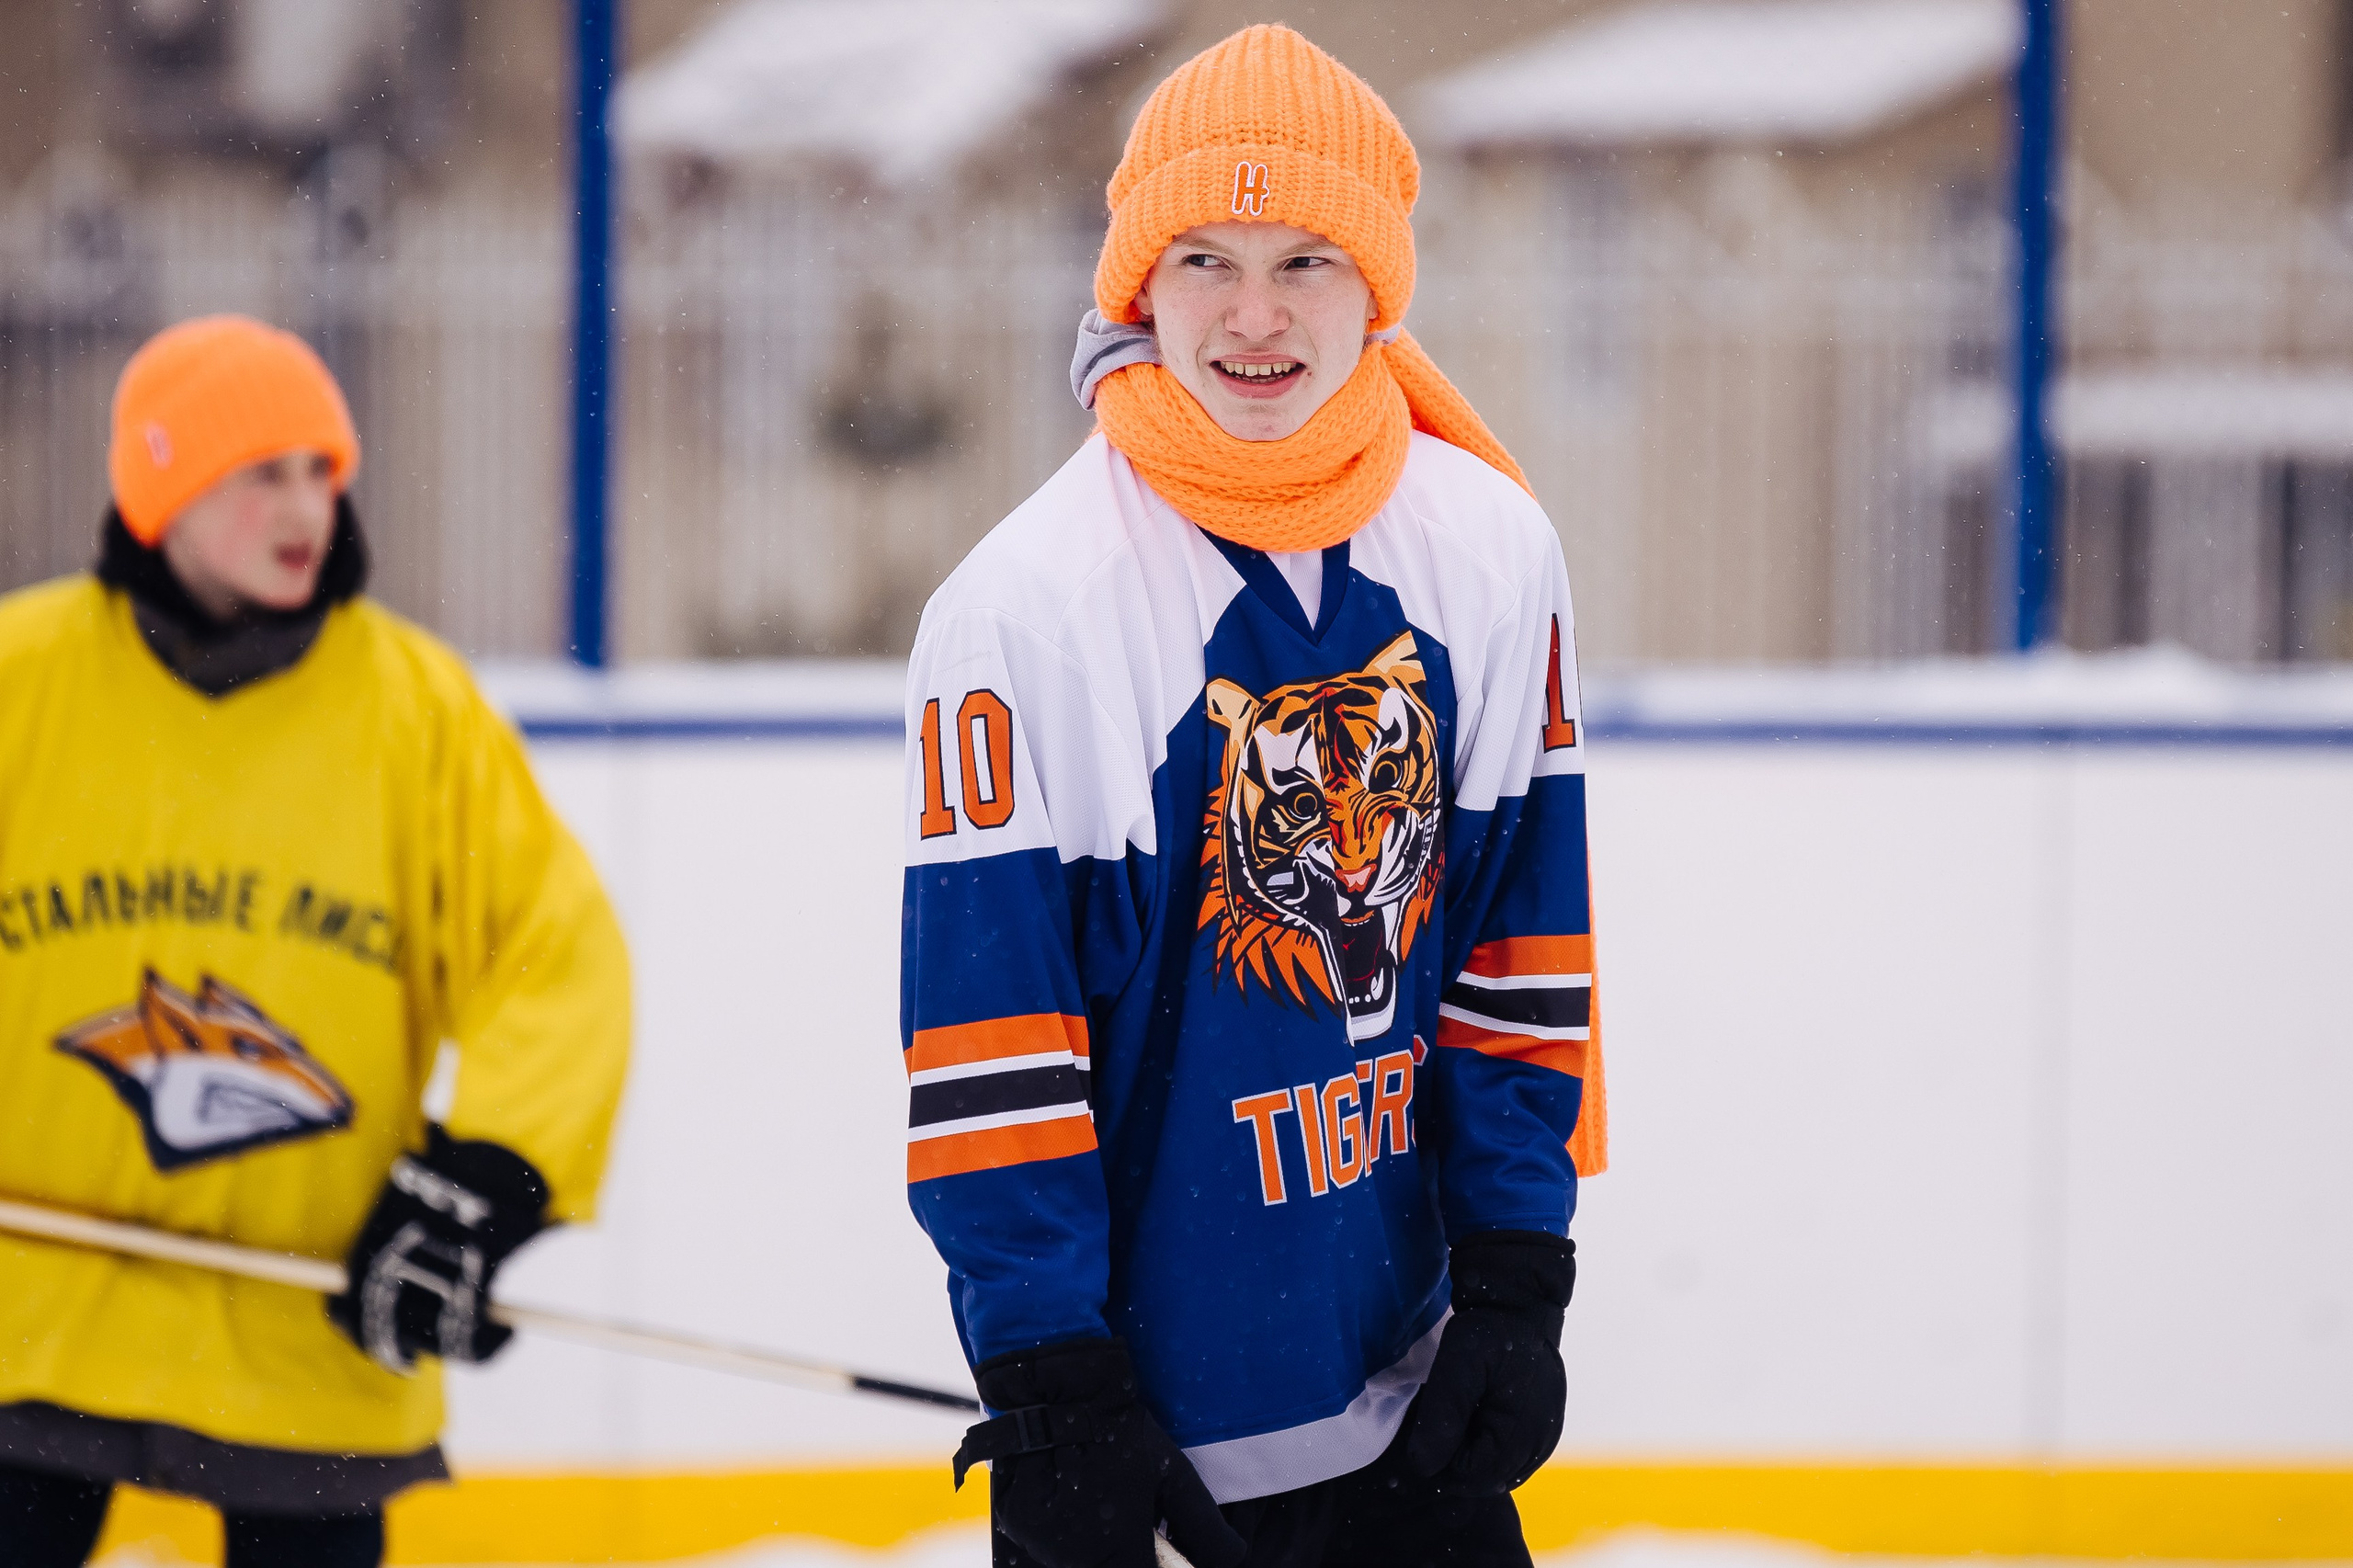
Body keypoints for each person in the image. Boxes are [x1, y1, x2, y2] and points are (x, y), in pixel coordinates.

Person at [901, 25, 1606, 1568]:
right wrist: (1044, 1368)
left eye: (1308, 258)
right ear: (1136, 283)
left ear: (1381, 287)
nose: (1256, 314)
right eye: (1206, 257)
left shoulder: (1489, 549)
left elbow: (1515, 945)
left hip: (1409, 1403)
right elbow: (989, 1044)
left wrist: (1511, 1271)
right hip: (1137, 1440)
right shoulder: (1023, 612)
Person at [0, 315, 631, 1567]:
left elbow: (550, 959)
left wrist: (488, 1180)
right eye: (260, 472)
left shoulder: (416, 712)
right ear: (163, 491)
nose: (305, 507)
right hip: (33, 1313)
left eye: (319, 470)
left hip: (313, 1325)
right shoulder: (25, 677)